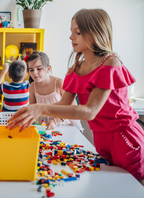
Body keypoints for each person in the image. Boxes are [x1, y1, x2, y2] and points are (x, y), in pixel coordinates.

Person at [7, 8, 144, 185]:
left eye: (77, 32)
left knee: (134, 188)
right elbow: (64, 105)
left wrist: (40, 108)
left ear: (95, 33)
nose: (71, 37)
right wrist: (33, 113)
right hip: (100, 137)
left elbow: (89, 112)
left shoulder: (111, 61)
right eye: (71, 32)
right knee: (108, 187)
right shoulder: (76, 69)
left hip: (124, 137)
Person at [27, 51, 80, 130]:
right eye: (31, 70)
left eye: (39, 69)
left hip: (66, 125)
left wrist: (55, 121)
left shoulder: (59, 83)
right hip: (46, 127)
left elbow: (73, 109)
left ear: (48, 68)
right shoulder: (33, 86)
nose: (34, 73)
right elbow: (32, 109)